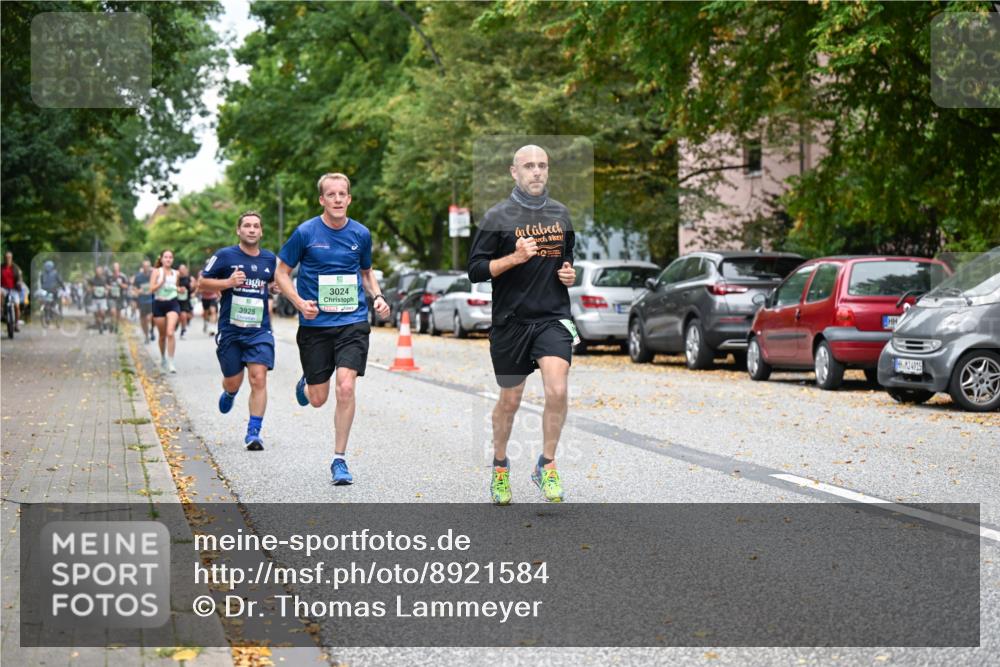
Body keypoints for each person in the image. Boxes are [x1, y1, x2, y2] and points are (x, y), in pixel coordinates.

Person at [467, 145, 576, 504]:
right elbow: (476, 270)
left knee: (557, 390)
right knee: (510, 401)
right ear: (514, 172)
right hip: (511, 322)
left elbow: (567, 259)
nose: (536, 172)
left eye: (542, 165)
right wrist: (514, 258)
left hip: (552, 317)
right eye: (528, 166)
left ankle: (546, 464)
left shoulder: (561, 214)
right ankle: (500, 467)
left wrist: (568, 274)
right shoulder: (497, 216)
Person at [274, 172, 390, 484]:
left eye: (343, 194)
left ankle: (339, 459)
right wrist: (299, 302)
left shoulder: (361, 234)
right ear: (322, 200)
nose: (337, 199)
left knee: (347, 386)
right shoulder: (305, 233)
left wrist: (377, 297)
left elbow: (366, 274)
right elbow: (281, 273)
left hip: (352, 321)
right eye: (331, 194)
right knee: (318, 399)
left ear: (349, 199)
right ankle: (309, 381)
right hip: (315, 325)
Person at [198, 211, 278, 451]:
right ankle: (230, 393)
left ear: (261, 231)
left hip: (259, 330)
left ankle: (254, 432)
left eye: (256, 226)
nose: (252, 229)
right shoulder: (224, 256)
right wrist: (228, 283)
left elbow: (275, 283)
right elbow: (202, 282)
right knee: (233, 382)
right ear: (239, 231)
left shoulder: (270, 259)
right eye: (247, 226)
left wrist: (275, 289)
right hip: (231, 330)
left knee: (259, 377)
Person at [149, 249, 180, 373]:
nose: (168, 259)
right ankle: (163, 358)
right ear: (161, 259)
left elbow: (175, 288)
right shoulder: (157, 272)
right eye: (166, 257)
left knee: (170, 332)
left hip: (172, 303)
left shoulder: (176, 273)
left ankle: (171, 362)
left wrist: (180, 289)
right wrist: (160, 283)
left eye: (170, 257)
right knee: (162, 336)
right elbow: (151, 289)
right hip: (159, 304)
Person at [133, 259, 155, 343]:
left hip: (151, 300)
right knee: (143, 320)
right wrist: (138, 291)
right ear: (142, 267)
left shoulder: (153, 275)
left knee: (150, 317)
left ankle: (151, 329)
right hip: (142, 301)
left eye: (148, 266)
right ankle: (146, 336)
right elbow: (134, 287)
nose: (146, 268)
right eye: (145, 266)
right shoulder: (138, 277)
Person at [1, 251, 24, 332]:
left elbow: (20, 277)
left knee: (17, 306)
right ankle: (1, 311)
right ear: (4, 258)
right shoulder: (1, 267)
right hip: (3, 288)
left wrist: (19, 282)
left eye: (9, 257)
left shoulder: (15, 268)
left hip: (14, 289)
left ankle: (16, 323)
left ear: (11, 258)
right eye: (6, 257)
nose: (8, 259)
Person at [87, 265, 111, 334]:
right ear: (95, 272)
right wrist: (92, 289)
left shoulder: (105, 279)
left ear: (102, 271)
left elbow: (109, 287)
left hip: (102, 299)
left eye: (100, 271)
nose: (98, 272)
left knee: (102, 312)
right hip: (94, 299)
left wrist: (107, 290)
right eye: (97, 271)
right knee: (97, 315)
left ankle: (102, 323)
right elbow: (88, 290)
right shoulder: (92, 280)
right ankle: (101, 325)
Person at [107, 262, 130, 333]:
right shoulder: (109, 276)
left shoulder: (123, 276)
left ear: (119, 268)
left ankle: (116, 325)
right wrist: (109, 288)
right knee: (112, 311)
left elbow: (127, 286)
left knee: (118, 313)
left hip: (120, 297)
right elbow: (105, 285)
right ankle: (111, 324)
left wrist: (120, 284)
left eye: (116, 267)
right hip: (111, 297)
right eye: (114, 267)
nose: (115, 268)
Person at [198, 269, 220, 335]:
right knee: (206, 313)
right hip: (205, 298)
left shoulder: (215, 272)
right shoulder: (201, 273)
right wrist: (205, 288)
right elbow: (199, 286)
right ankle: (205, 323)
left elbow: (217, 285)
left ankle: (212, 329)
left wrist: (219, 295)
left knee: (213, 311)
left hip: (213, 297)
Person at [176, 263, 195, 338]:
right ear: (179, 270)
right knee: (177, 316)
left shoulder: (189, 278)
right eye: (181, 269)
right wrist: (178, 289)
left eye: (184, 269)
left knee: (184, 315)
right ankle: (176, 324)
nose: (182, 270)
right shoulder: (176, 277)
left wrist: (193, 288)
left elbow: (194, 287)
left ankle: (183, 330)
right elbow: (173, 286)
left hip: (186, 299)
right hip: (176, 299)